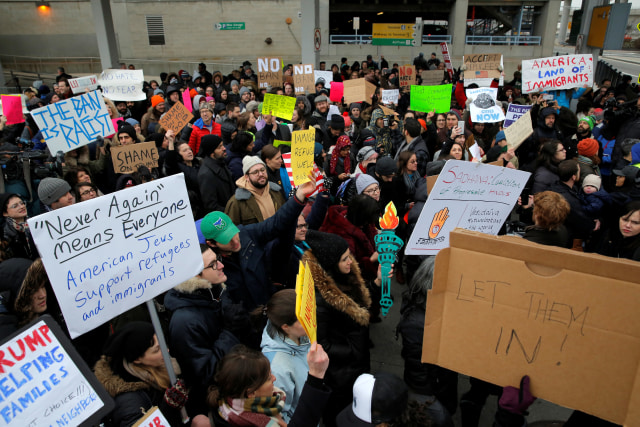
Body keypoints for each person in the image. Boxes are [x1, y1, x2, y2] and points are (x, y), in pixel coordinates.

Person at [201, 175, 317, 309]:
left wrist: (298, 197)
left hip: (269, 304)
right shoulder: (212, 268)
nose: (235, 240)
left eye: (233, 232)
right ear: (212, 244)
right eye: (226, 239)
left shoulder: (247, 234)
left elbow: (277, 222)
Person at [164, 245, 249, 415]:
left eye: (218, 259)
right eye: (213, 264)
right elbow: (206, 375)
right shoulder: (185, 322)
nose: (221, 265)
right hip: (219, 402)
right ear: (196, 275)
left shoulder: (215, 290)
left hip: (241, 380)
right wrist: (230, 332)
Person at [302, 230, 373, 427]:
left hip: (355, 362)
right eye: (344, 259)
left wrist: (375, 283)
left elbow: (359, 304)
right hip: (341, 375)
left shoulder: (347, 277)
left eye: (349, 255)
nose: (350, 261)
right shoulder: (321, 301)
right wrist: (353, 351)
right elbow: (322, 344)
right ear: (331, 264)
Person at [204, 343, 330, 427]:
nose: (275, 379)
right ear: (251, 393)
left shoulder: (228, 405)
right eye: (269, 378)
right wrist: (316, 377)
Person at [93, 322, 189, 426]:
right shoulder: (129, 401)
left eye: (163, 343)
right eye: (157, 350)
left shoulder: (162, 366)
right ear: (138, 359)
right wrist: (168, 410)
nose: (166, 350)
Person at [258, 289, 311, 422]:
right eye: (303, 319)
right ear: (286, 327)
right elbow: (281, 417)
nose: (311, 319)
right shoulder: (277, 368)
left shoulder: (300, 334)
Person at [225, 156, 285, 226]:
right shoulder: (236, 202)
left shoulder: (276, 192)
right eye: (255, 172)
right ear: (247, 177)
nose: (260, 174)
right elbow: (231, 230)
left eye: (262, 170)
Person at [198, 135, 236, 213]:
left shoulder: (220, 162)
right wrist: (232, 211)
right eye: (219, 147)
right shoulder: (206, 174)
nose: (224, 148)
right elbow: (211, 206)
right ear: (211, 153)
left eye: (222, 145)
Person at [0, 193, 38, 260]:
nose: (21, 207)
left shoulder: (36, 223)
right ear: (5, 213)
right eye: (15, 206)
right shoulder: (5, 234)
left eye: (22, 203)